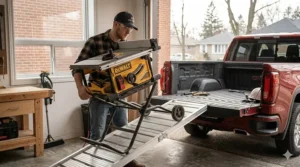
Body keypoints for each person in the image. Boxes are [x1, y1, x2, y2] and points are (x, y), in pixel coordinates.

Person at [72, 11, 145, 167]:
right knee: (97, 134)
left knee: (123, 129)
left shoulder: (125, 46)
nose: (128, 32)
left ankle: (127, 162)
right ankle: (95, 164)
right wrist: (80, 88)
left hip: (119, 94)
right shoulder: (95, 42)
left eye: (131, 30)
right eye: (126, 28)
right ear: (116, 24)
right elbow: (76, 68)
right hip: (99, 96)